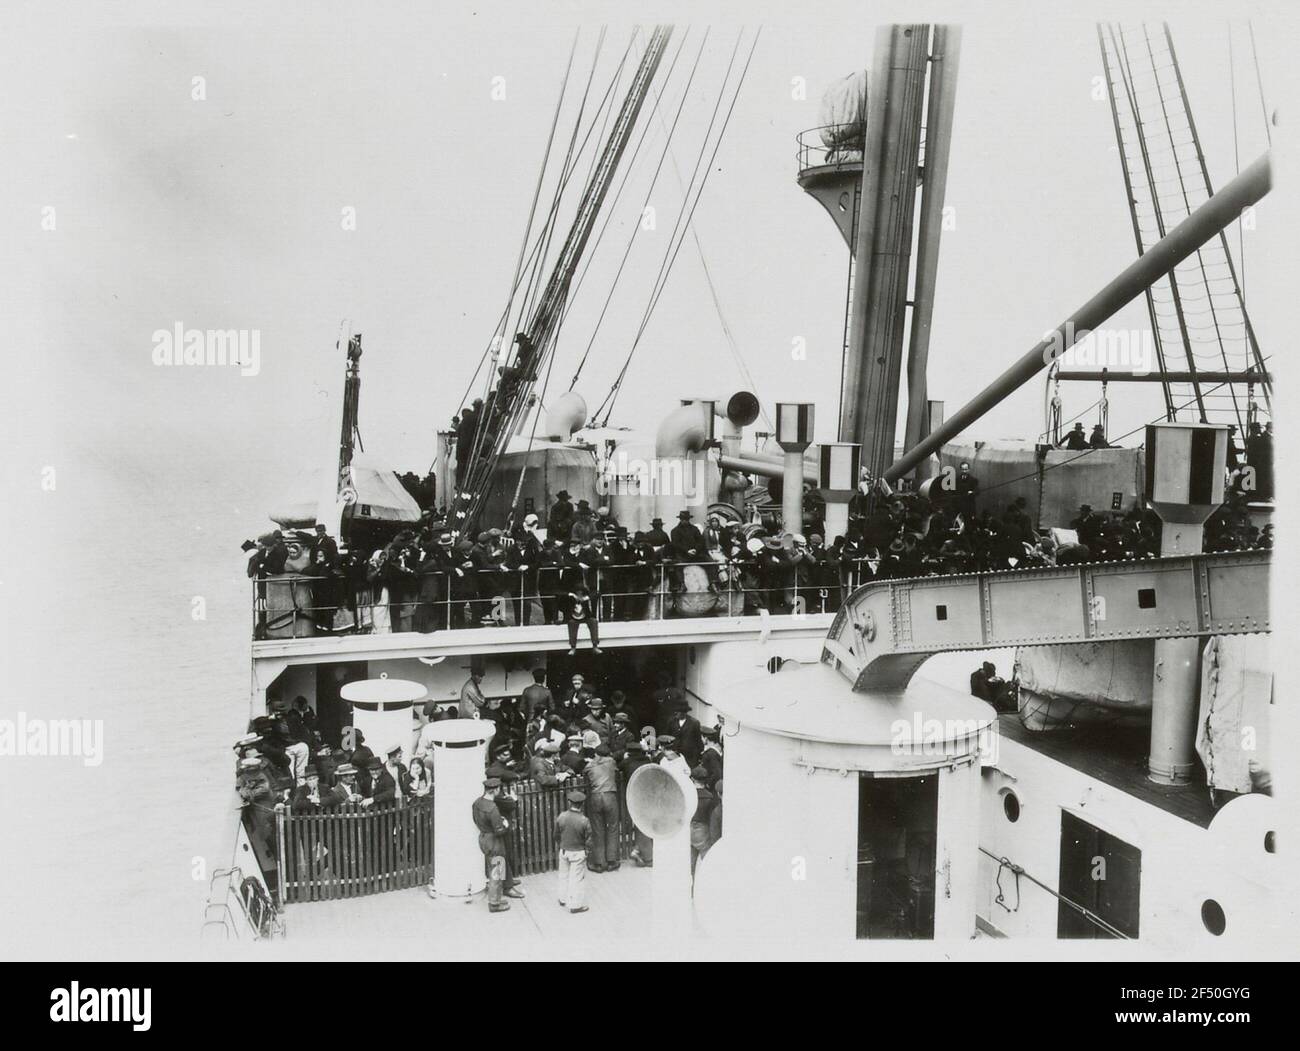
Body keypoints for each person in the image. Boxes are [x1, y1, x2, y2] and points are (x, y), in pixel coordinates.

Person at [472, 778, 522, 913]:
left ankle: (497, 898)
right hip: (494, 841)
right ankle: (494, 903)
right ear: (495, 790)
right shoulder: (493, 808)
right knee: (497, 872)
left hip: (483, 838)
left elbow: (476, 820)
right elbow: (499, 830)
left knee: (493, 868)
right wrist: (505, 824)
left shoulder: (477, 803)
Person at [584, 743, 621, 873]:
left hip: (595, 797)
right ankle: (612, 861)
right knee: (613, 827)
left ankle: (599, 863)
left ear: (596, 754)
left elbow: (586, 774)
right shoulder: (612, 762)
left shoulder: (590, 765)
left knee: (597, 829)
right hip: (610, 796)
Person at [556, 789, 592, 913]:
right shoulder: (584, 820)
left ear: (569, 802)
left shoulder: (562, 816)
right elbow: (588, 839)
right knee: (576, 878)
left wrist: (561, 845)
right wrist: (587, 851)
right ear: (582, 804)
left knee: (563, 875)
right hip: (578, 852)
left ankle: (562, 898)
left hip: (564, 850)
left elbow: (556, 834)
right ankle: (575, 905)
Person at [619, 741, 655, 867]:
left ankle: (648, 857)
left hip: (635, 796)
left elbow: (619, 770)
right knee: (647, 824)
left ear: (628, 752)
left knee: (640, 825)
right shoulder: (647, 761)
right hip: (649, 795)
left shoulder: (626, 762)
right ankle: (638, 849)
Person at [688, 765, 716, 873]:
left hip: (689, 829)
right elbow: (711, 818)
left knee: (690, 864)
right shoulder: (710, 797)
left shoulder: (688, 795)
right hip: (703, 831)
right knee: (707, 860)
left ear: (692, 779)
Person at [564, 585, 601, 655]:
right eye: (577, 593)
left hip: (585, 617)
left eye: (581, 593)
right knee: (571, 623)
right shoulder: (571, 599)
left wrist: (585, 598)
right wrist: (572, 595)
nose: (579, 595)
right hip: (574, 618)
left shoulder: (585, 598)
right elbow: (558, 594)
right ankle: (573, 648)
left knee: (593, 621)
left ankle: (595, 646)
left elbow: (598, 593)